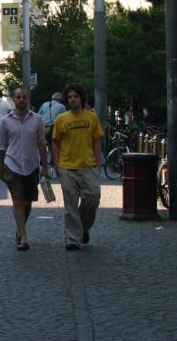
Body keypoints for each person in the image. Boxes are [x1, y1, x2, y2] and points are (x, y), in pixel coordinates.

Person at [52, 83, 104, 251]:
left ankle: (84, 228)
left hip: (88, 166)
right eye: (70, 97)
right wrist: (57, 163)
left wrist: (98, 162)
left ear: (81, 98)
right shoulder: (62, 119)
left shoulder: (92, 118)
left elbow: (97, 140)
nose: (73, 99)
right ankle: (73, 239)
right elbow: (55, 142)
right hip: (67, 167)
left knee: (93, 197)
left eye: (76, 96)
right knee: (71, 206)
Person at [0, 87, 49, 251]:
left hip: (32, 165)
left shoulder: (37, 119)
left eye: (24, 97)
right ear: (14, 99)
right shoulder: (5, 121)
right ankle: (24, 237)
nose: (21, 100)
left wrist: (45, 167)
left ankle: (20, 229)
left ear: (28, 99)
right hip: (12, 165)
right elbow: (1, 147)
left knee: (27, 202)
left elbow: (42, 144)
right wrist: (1, 168)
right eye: (18, 97)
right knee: (18, 201)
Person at [38, 92, 66, 170]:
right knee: (54, 146)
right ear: (61, 100)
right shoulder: (62, 107)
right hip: (53, 129)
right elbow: (65, 119)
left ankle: (43, 161)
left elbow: (38, 115)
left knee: (42, 145)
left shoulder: (44, 104)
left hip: (43, 128)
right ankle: (54, 162)